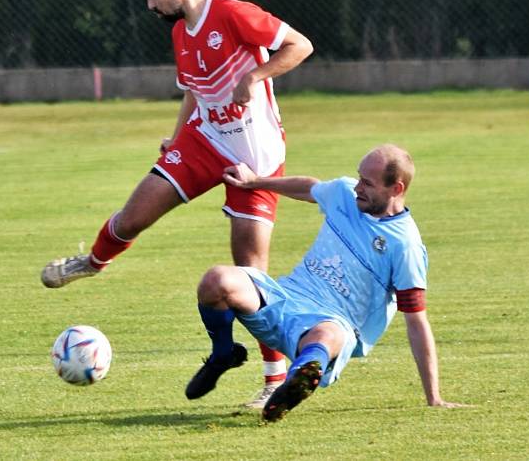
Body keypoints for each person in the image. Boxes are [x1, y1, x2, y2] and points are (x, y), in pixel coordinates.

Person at [41, 0, 313, 406]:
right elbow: (194, 91)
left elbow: (300, 45)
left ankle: (272, 379)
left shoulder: (231, 13)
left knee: (250, 277)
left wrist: (256, 75)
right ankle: (93, 262)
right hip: (203, 141)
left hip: (255, 157)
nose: (150, 5)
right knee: (132, 216)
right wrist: (175, 138)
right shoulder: (181, 32)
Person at [184, 144, 464, 421]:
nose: (358, 188)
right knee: (216, 280)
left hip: (334, 322)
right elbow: (310, 188)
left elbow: (416, 320)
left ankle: (295, 384)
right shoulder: (346, 194)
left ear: (396, 189)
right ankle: (223, 354)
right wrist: (254, 182)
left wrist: (434, 396)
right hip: (285, 296)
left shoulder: (405, 246)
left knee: (325, 338)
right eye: (359, 178)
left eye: (367, 183)